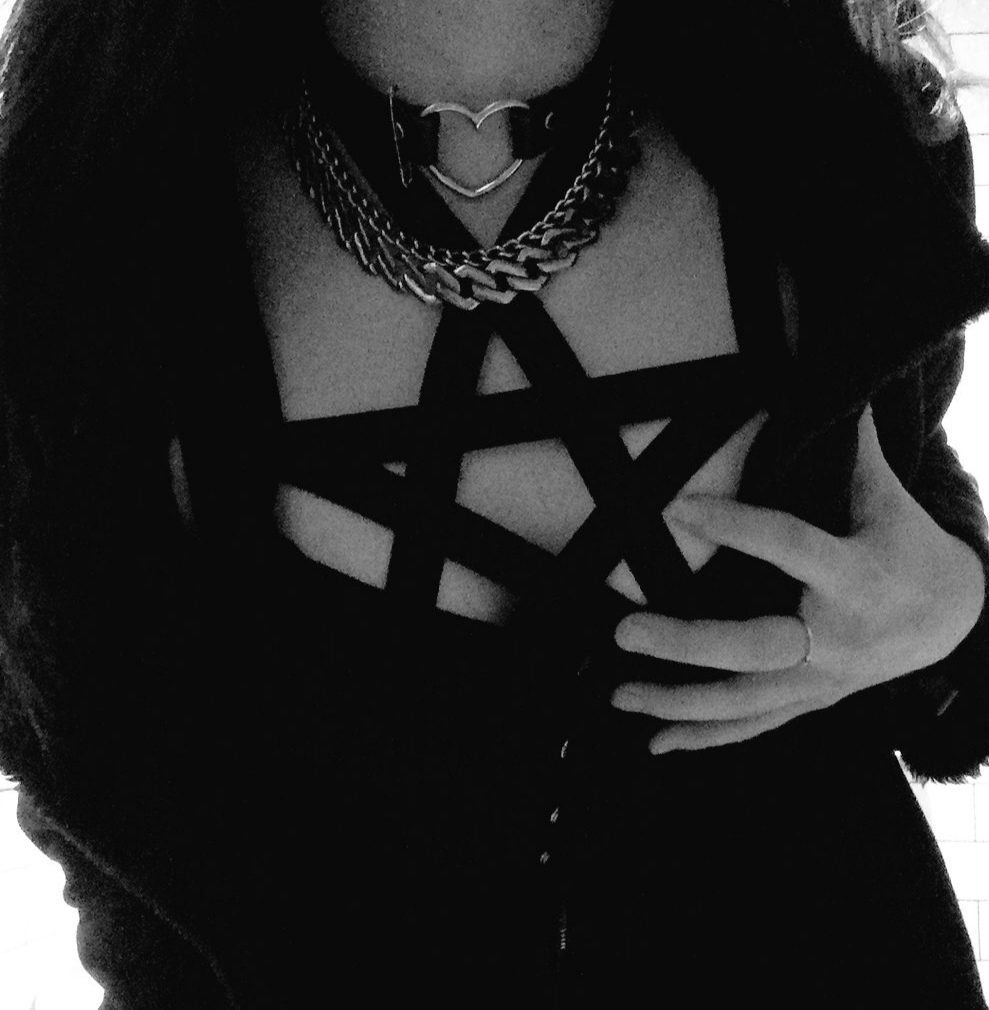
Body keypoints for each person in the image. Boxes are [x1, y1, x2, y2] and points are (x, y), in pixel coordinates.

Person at [3, 0, 989, 1006]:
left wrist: (956, 605)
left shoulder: (843, 115)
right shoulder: (93, 215)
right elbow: (85, 757)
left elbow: (903, 470)